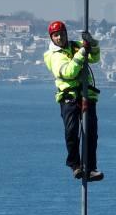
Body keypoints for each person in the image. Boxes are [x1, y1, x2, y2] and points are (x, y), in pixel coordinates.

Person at [43, 20, 103, 181]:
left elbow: (94, 58)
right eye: (55, 35)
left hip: (87, 95)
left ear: (66, 34)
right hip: (69, 97)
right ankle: (75, 165)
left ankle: (90, 168)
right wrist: (82, 52)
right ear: (51, 38)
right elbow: (68, 72)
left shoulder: (76, 45)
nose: (59, 37)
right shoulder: (53, 56)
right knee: (71, 131)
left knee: (90, 132)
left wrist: (93, 45)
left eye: (61, 34)